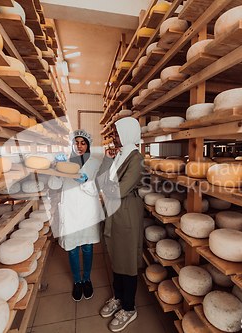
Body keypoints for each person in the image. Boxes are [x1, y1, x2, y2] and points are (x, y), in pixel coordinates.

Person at [96, 117, 144, 332]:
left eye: (116, 133)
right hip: (113, 211)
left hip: (126, 213)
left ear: (126, 134)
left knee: (127, 261)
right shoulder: (118, 155)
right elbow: (99, 180)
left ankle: (129, 307)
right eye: (114, 133)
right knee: (116, 256)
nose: (113, 137)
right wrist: (107, 160)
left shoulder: (136, 158)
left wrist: (105, 187)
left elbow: (120, 190)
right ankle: (118, 297)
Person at [54, 129, 104, 302]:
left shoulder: (96, 163)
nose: (79, 146)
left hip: (87, 210)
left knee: (88, 248)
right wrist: (55, 167)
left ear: (88, 145)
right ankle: (77, 281)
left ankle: (87, 279)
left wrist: (85, 182)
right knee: (73, 249)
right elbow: (54, 184)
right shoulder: (65, 163)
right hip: (70, 210)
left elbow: (98, 188)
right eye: (76, 142)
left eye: (83, 143)